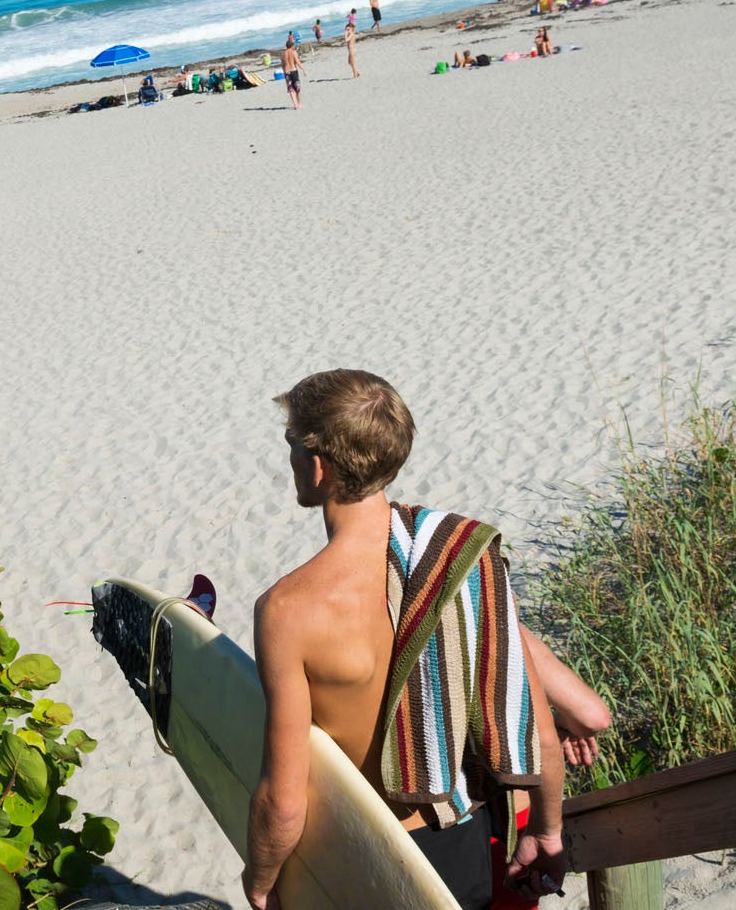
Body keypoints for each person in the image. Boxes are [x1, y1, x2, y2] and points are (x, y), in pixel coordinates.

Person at [244, 371, 572, 910]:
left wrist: (260, 880)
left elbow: (283, 801)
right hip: (461, 843)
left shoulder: (287, 610)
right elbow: (535, 730)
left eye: (291, 446)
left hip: (363, 854)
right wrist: (547, 830)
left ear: (318, 464)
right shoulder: (463, 559)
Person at [282, 39, 303, 110]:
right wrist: (303, 69)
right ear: (292, 45)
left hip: (286, 72)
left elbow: (282, 64)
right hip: (294, 71)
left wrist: (284, 73)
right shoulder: (294, 52)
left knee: (290, 89)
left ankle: (295, 104)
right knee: (298, 88)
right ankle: (299, 103)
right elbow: (297, 61)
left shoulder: (283, 53)